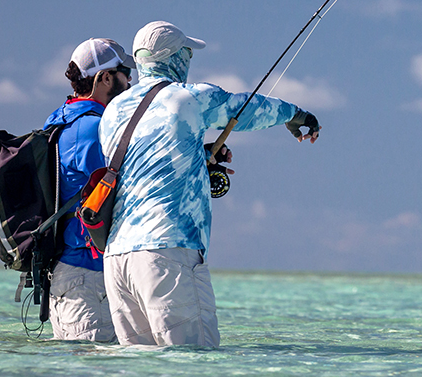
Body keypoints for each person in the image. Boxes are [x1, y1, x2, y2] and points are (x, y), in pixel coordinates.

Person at [99, 21, 320, 347]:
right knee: (192, 363)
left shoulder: (113, 111)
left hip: (118, 260)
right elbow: (247, 109)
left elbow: (141, 167)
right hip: (167, 251)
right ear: (175, 57)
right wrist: (297, 116)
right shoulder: (187, 98)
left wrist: (197, 156)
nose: (189, 59)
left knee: (140, 371)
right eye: (187, 53)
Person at [42, 38, 135, 342]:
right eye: (125, 73)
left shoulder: (61, 119)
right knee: (97, 370)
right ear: (105, 78)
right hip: (87, 277)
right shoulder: (94, 128)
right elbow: (126, 188)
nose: (130, 81)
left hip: (69, 274)